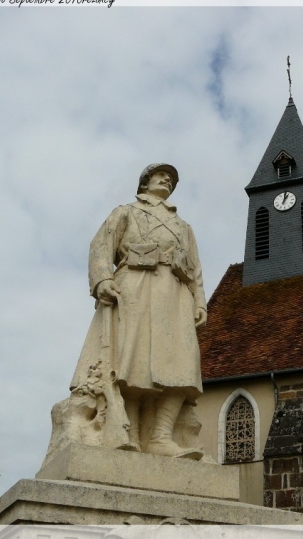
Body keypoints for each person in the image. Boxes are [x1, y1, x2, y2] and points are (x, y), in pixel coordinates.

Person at [69, 163, 207, 460]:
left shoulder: (184, 227)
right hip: (135, 286)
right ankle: (126, 433)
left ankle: (160, 437)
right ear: (145, 182)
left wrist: (199, 302)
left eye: (171, 178)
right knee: (133, 363)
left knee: (182, 364)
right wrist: (103, 279)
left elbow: (195, 269)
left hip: (176, 293)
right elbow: (101, 246)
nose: (166, 180)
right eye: (161, 175)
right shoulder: (126, 212)